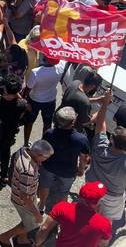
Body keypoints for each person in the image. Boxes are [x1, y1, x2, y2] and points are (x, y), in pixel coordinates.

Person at [0, 140, 54, 247]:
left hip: (21, 192)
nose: (45, 161)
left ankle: (22, 239)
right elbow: (25, 196)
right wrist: (37, 213)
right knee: (32, 224)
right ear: (39, 154)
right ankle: (4, 237)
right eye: (45, 158)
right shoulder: (28, 171)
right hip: (23, 201)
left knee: (28, 221)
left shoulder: (24, 150)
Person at [85, 87, 126, 229]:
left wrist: (105, 102)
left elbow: (100, 122)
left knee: (86, 212)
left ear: (112, 140)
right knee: (106, 224)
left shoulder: (101, 146)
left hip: (91, 186)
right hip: (113, 197)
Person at [38, 107, 90, 213]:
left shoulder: (49, 133)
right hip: (68, 171)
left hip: (48, 167)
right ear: (72, 122)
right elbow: (84, 157)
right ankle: (61, 213)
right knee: (63, 192)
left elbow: (43, 150)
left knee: (44, 185)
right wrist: (81, 170)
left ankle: (41, 205)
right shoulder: (81, 139)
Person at [35, 181, 111, 247]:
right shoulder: (105, 224)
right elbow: (102, 244)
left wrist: (36, 244)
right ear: (98, 203)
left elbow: (44, 229)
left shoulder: (62, 208)